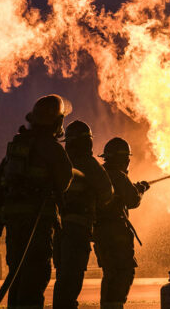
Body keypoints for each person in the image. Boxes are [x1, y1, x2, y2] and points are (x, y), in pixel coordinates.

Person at [0, 94, 73, 308]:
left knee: (16, 275)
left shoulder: (16, 147)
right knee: (35, 277)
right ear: (57, 121)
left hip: (14, 225)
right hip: (38, 223)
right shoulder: (52, 149)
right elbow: (64, 182)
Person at [53, 121, 113, 309]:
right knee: (72, 278)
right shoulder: (89, 164)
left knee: (62, 278)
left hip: (58, 232)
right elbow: (107, 193)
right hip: (77, 230)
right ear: (87, 142)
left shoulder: (61, 163)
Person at [93, 137, 150, 309]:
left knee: (110, 274)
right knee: (123, 272)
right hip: (116, 234)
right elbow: (132, 200)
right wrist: (140, 190)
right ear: (123, 159)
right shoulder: (118, 176)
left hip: (101, 234)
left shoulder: (100, 174)